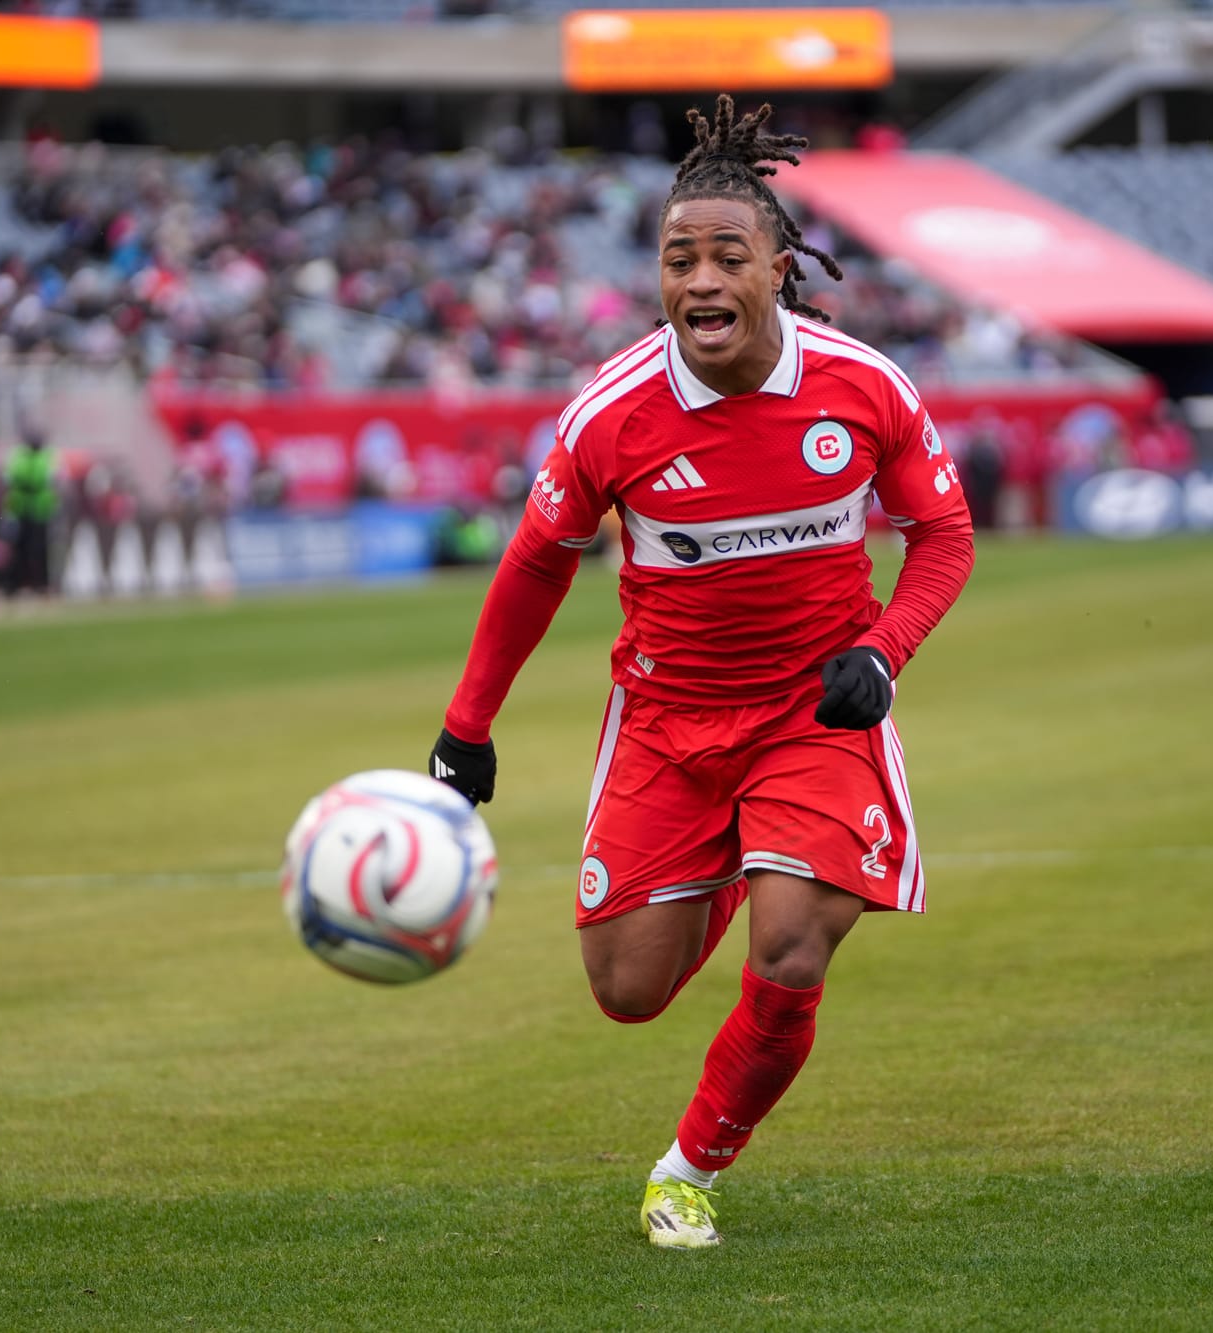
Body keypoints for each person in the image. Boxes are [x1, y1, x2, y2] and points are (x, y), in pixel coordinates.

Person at [426, 96, 974, 1250]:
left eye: (728, 256)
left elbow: (944, 535)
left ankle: (688, 1169)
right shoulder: (610, 414)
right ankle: (738, 858)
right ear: (657, 279)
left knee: (789, 949)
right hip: (667, 721)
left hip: (813, 710)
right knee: (625, 988)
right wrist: (467, 725)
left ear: (779, 268)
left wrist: (881, 651)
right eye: (679, 260)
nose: (702, 280)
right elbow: (534, 563)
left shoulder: (861, 386)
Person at [4, 427, 59, 595]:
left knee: (41, 549)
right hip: (20, 511)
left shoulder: (47, 456)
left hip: (41, 511)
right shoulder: (19, 456)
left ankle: (41, 584)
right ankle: (17, 584)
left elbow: (51, 480)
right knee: (19, 548)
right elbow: (12, 478)